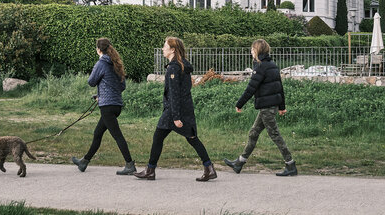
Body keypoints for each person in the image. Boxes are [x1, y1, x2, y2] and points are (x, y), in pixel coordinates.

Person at [133, 37, 217, 182]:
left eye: (165, 46)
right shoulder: (183, 66)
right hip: (185, 108)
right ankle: (209, 168)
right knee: (191, 138)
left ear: (172, 50)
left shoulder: (174, 67)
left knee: (159, 137)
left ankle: (150, 170)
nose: (162, 49)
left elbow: (174, 93)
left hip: (174, 110)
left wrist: (176, 117)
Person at [224, 38, 297, 176]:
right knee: (253, 133)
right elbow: (279, 88)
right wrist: (281, 106)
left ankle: (290, 164)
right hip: (270, 106)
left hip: (267, 108)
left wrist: (239, 104)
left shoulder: (261, 67)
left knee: (275, 135)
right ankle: (239, 163)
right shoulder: (272, 65)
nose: (251, 52)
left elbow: (251, 88)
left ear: (258, 50)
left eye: (252, 49)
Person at [71, 37, 136, 175]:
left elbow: (91, 81)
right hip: (116, 105)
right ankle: (84, 162)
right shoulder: (116, 63)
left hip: (107, 107)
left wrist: (104, 96)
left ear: (98, 49)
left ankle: (130, 164)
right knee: (97, 133)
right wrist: (102, 96)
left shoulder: (101, 63)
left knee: (117, 136)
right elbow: (122, 86)